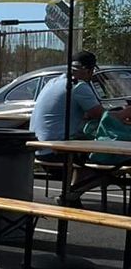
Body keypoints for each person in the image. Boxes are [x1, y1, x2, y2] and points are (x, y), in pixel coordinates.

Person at [30, 50, 131, 204]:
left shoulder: (53, 82)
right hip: (57, 150)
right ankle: (73, 193)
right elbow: (105, 118)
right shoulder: (78, 86)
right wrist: (127, 111)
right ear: (89, 70)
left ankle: (72, 194)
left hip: (39, 148)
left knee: (86, 150)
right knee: (110, 160)